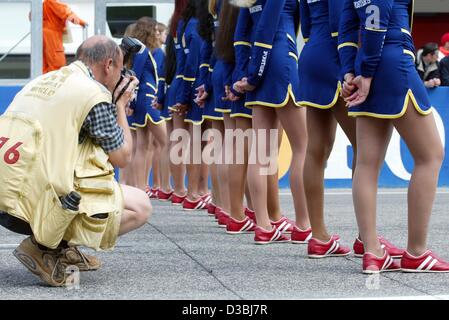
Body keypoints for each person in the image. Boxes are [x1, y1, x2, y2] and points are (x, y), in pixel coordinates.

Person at [0, 35, 152, 286]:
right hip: (32, 209)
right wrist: (121, 105)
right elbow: (122, 156)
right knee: (140, 207)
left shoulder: (43, 80)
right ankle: (43, 248)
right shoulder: (92, 95)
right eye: (120, 68)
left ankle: (61, 248)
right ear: (109, 65)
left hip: (8, 195)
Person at [339, 0, 449, 273]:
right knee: (430, 154)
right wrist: (366, 71)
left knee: (366, 162)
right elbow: (377, 11)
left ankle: (373, 251)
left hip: (365, 61)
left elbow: (346, 27)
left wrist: (351, 71)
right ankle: (416, 252)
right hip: (390, 60)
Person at [232, 0, 311, 244]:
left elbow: (240, 37)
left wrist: (247, 72)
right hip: (279, 60)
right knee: (302, 147)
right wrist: (254, 75)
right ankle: (304, 224)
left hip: (260, 61)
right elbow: (269, 28)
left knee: (260, 151)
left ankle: (264, 225)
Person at [40, 0, 87, 74]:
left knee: (46, 64)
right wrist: (82, 22)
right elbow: (65, 12)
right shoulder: (52, 1)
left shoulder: (45, 3)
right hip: (52, 35)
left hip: (45, 34)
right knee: (57, 63)